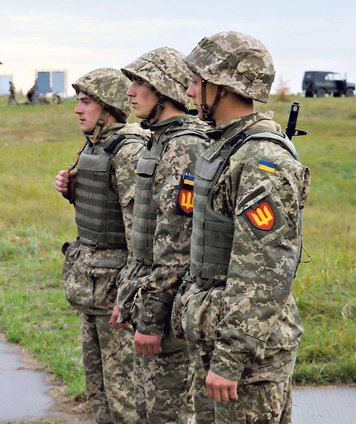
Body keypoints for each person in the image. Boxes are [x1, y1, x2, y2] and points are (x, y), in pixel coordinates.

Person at [174, 31, 310, 423]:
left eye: (196, 82)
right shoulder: (226, 146)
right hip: (217, 338)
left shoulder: (260, 160)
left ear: (222, 87)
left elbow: (265, 270)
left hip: (247, 357)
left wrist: (231, 358)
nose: (188, 89)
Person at [115, 47, 211, 423]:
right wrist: (128, 298)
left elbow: (177, 247)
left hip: (170, 315)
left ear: (164, 89)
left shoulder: (184, 146)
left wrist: (152, 319)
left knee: (167, 415)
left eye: (139, 82)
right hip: (153, 303)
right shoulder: (159, 140)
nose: (130, 92)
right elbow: (144, 237)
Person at [55, 68, 149, 424]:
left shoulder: (128, 150)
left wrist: (128, 295)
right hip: (91, 287)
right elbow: (103, 212)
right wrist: (73, 192)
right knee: (99, 393)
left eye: (85, 102)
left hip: (114, 293)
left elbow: (137, 231)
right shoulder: (95, 144)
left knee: (124, 399)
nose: (78, 110)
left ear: (107, 105)